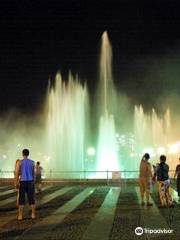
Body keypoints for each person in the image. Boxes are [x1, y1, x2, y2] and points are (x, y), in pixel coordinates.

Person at [14, 149, 36, 220]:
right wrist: (33, 182)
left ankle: (20, 216)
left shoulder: (19, 162)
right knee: (31, 198)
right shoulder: (32, 162)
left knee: (21, 199)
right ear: (28, 154)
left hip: (23, 182)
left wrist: (16, 182)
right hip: (30, 182)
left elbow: (17, 173)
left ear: (22, 154)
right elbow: (33, 173)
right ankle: (33, 214)